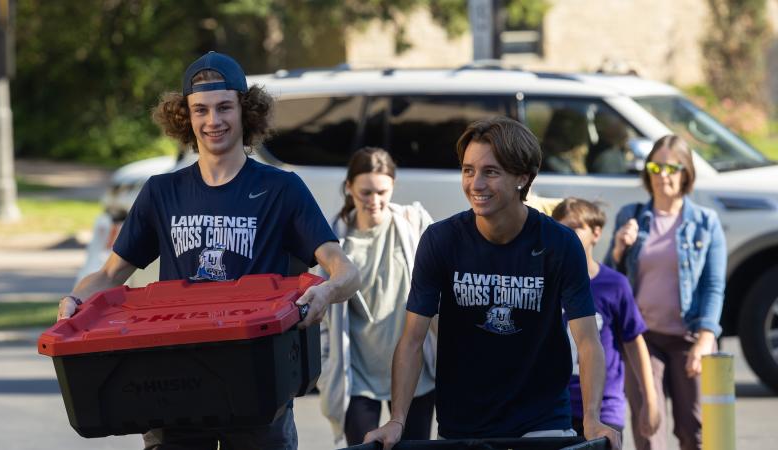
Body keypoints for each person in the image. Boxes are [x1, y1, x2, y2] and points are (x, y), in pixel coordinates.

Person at [56, 51, 360, 450]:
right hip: (173, 379)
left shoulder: (281, 189)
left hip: (255, 380)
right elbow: (111, 273)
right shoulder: (161, 192)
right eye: (200, 110)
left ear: (245, 111)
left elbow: (345, 270)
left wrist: (325, 291)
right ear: (185, 116)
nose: (212, 121)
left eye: (224, 108)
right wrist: (76, 300)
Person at [364, 116, 621, 450]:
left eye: (491, 172)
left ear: (522, 177)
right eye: (468, 170)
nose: (476, 183)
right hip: (463, 423)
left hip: (542, 421)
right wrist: (397, 419)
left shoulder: (559, 244)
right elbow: (412, 339)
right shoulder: (441, 240)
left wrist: (591, 419)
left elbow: (587, 340)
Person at [605, 135, 726, 450]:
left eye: (672, 168)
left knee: (695, 432)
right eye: (656, 167)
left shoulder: (705, 223)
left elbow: (714, 285)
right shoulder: (631, 217)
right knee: (648, 428)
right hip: (642, 339)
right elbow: (609, 282)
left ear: (686, 172)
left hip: (688, 338)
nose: (663, 175)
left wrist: (705, 338)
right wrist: (618, 249)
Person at [316, 147, 436, 446]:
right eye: (365, 192)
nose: (374, 200)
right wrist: (325, 364)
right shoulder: (334, 240)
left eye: (382, 191)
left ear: (393, 186)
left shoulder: (414, 224)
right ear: (349, 188)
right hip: (357, 376)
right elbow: (321, 310)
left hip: (414, 375)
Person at [551, 198, 660, 438]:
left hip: (604, 406)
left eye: (575, 228)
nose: (566, 236)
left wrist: (650, 399)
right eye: (560, 228)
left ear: (596, 233)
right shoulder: (544, 282)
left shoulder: (614, 284)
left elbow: (634, 341)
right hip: (552, 406)